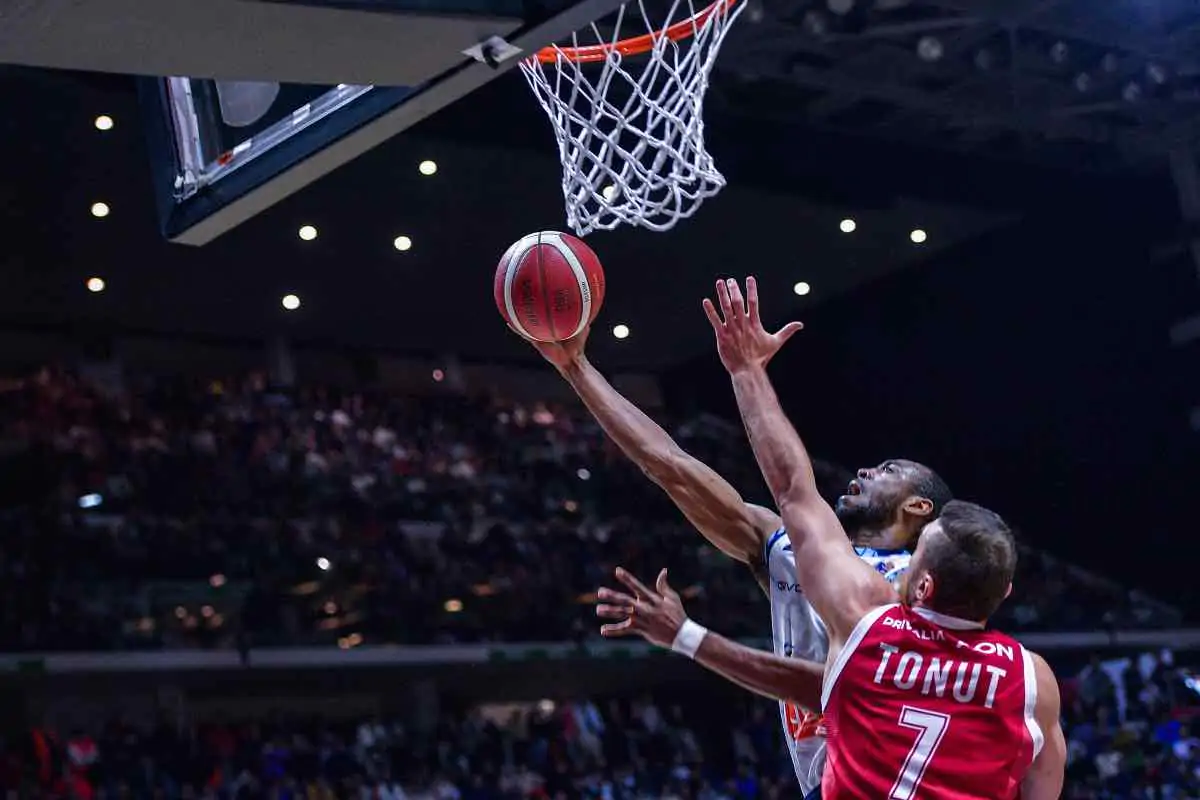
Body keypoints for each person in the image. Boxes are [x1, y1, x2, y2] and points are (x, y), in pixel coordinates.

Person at [517, 324, 952, 795]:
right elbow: (669, 466)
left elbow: (831, 687)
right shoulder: (791, 549)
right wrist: (577, 369)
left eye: (889, 471)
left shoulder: (924, 586)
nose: (866, 469)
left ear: (918, 507)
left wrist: (689, 636)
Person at [697, 276, 1065, 799]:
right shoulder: (1030, 678)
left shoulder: (871, 622)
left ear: (921, 587)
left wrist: (747, 372)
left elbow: (795, 491)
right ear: (1003, 593)